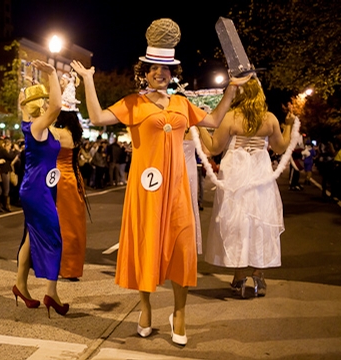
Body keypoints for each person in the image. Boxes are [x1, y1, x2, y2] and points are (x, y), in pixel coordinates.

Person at [71, 18, 250, 345]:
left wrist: (231, 91)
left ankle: (179, 313)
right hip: (145, 191)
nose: (159, 73)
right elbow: (96, 118)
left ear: (172, 73)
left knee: (181, 249)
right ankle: (146, 307)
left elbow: (212, 120)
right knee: (147, 247)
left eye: (165, 69)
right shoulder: (133, 103)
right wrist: (87, 81)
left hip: (178, 189)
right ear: (145, 70)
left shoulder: (182, 104)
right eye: (153, 67)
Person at [199, 78, 297, 299]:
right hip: (261, 175)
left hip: (235, 175)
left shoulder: (231, 118)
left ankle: (239, 275)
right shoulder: (270, 119)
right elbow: (281, 147)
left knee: (237, 223)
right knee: (259, 221)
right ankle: (258, 275)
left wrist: (200, 125)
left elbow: (214, 148)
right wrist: (289, 124)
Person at [13, 59, 67, 317]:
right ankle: (51, 292)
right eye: (44, 101)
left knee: (31, 236)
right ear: (40, 106)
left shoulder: (33, 126)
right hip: (37, 190)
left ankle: (20, 285)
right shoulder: (37, 127)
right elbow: (56, 106)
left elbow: (54, 108)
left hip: (37, 187)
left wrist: (54, 85)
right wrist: (52, 74)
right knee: (54, 239)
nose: (48, 103)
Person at [51, 73, 88, 281]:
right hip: (74, 177)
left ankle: (64, 266)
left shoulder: (59, 133)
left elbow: (40, 128)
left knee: (63, 224)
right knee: (73, 224)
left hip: (62, 180)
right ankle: (70, 266)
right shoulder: (74, 133)